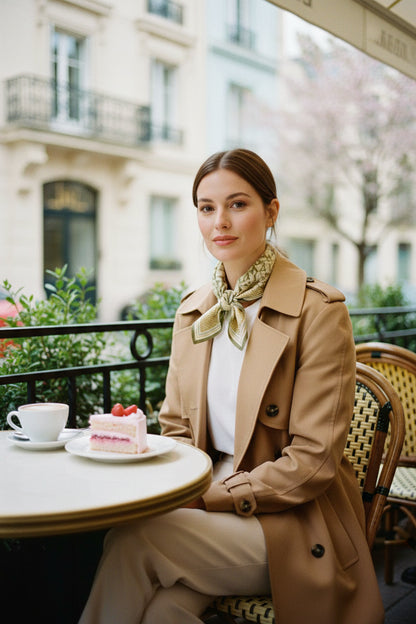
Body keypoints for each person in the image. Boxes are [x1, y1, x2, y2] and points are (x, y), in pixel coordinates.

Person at [79, 149, 384, 624]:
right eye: (206, 207)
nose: (219, 221)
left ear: (271, 212)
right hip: (205, 510)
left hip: (292, 523)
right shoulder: (195, 312)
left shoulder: (318, 311)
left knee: (135, 539)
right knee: (163, 612)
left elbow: (314, 460)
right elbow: (177, 430)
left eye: (237, 204)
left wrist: (209, 498)